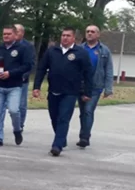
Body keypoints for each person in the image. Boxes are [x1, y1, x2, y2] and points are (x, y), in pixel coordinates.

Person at [33, 27, 94, 156]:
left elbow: (88, 73)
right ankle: (61, 138)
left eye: (68, 36)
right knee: (54, 117)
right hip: (53, 90)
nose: (65, 38)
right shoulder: (52, 51)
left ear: (73, 38)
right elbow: (41, 69)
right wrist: (36, 86)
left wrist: (87, 92)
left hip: (70, 92)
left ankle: (57, 145)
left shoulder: (80, 53)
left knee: (63, 118)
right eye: (63, 35)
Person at [0, 26, 32, 147]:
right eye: (4, 34)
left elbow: (27, 66)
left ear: (15, 35)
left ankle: (17, 130)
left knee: (14, 110)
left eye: (8, 34)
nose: (6, 36)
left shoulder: (22, 49)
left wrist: (10, 73)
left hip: (14, 86)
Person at [78, 25, 114, 147]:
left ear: (98, 35)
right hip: (81, 86)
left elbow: (109, 70)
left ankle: (85, 137)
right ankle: (83, 133)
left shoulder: (104, 50)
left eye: (92, 32)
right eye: (87, 31)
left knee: (88, 111)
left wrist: (108, 88)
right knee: (83, 112)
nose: (89, 33)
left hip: (96, 86)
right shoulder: (79, 49)